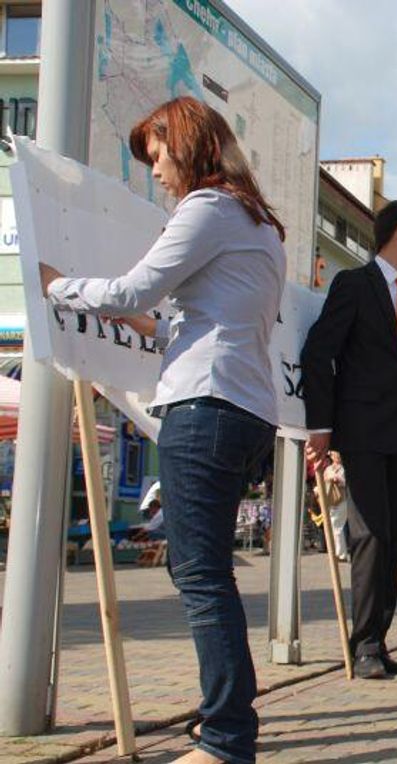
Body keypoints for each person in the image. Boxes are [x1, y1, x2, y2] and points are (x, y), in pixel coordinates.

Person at [41, 96, 284, 764]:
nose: (156, 171)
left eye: (158, 154)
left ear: (189, 144)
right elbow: (197, 319)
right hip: (243, 408)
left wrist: (56, 286)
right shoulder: (258, 223)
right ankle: (224, 719)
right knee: (202, 570)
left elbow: (133, 290)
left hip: (204, 407)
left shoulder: (206, 208)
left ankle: (228, 737)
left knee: (201, 576)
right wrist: (148, 325)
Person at [301, 199, 397, 681]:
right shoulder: (353, 285)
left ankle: (379, 639)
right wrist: (321, 426)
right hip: (361, 432)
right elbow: (318, 352)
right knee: (371, 536)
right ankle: (363, 646)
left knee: (395, 540)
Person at [324, 452, 350, 562]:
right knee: (333, 527)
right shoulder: (328, 468)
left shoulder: (344, 468)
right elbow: (324, 479)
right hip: (330, 499)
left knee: (337, 526)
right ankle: (336, 552)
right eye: (335, 456)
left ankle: (341, 554)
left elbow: (348, 483)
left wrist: (338, 480)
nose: (337, 458)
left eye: (339, 456)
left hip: (342, 499)